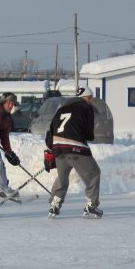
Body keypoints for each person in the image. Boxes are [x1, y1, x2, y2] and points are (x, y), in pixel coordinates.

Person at [44, 86, 103, 219]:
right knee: (94, 173)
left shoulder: (61, 109)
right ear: (86, 98)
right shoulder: (86, 108)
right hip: (76, 147)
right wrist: (89, 136)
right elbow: (89, 133)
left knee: (62, 177)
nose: (91, 101)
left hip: (58, 148)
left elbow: (50, 132)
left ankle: (54, 204)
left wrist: (50, 149)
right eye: (90, 98)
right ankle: (92, 206)